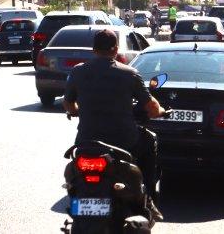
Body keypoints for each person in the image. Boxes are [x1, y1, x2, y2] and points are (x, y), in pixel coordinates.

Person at [64, 29, 165, 219]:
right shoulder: (129, 73)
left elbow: (68, 104)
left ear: (94, 50)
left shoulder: (78, 71)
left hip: (86, 141)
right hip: (124, 141)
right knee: (150, 140)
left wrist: (76, 111)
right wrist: (160, 111)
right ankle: (149, 198)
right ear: (116, 49)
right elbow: (152, 107)